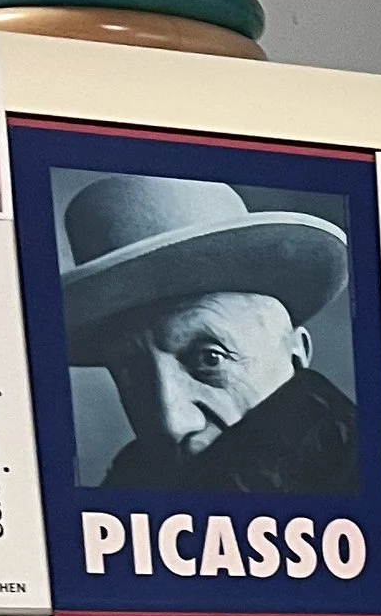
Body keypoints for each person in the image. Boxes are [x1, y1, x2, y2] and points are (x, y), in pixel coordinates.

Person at [57, 171, 357, 492]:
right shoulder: (131, 484)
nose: (173, 424)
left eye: (209, 358)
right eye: (132, 373)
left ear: (296, 354)